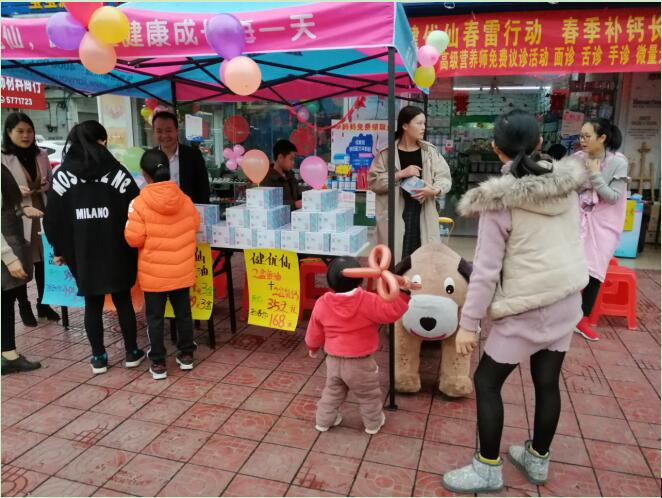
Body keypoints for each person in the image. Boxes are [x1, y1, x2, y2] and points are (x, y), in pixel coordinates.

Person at [442, 110, 588, 493]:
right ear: (539, 144)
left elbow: (485, 272)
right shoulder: (566, 185)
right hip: (565, 298)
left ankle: (488, 469)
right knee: (547, 381)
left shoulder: (498, 201)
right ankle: (537, 458)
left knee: (486, 382)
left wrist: (468, 324)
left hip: (526, 307)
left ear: (495, 148)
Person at [43, 121, 144, 375]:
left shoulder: (62, 175)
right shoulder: (117, 171)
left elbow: (51, 218)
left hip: (82, 250)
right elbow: (137, 206)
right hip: (117, 247)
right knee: (122, 299)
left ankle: (98, 357)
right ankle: (132, 352)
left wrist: (60, 248)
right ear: (101, 141)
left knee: (93, 302)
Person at [305, 256, 416, 435]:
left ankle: (323, 421)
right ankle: (373, 424)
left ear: (329, 281)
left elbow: (314, 331)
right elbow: (391, 312)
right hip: (360, 363)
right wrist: (403, 292)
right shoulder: (368, 300)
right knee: (368, 395)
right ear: (361, 279)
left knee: (332, 393)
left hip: (333, 361)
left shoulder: (322, 303)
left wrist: (312, 347)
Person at [125, 150, 199, 379]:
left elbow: (133, 239)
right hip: (181, 270)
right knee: (183, 314)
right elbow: (195, 225)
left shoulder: (138, 203)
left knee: (155, 318)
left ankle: (158, 363)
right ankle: (186, 355)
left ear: (144, 174)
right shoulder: (185, 199)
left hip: (154, 273)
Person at [368, 105, 452, 262]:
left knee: (422, 258)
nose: (423, 127)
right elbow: (373, 182)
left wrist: (433, 191)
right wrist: (400, 174)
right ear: (405, 125)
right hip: (394, 214)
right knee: (395, 257)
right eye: (419, 123)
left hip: (422, 211)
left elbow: (444, 178)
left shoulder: (429, 151)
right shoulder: (386, 153)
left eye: (424, 123)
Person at [1, 112, 60, 325]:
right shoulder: (3, 157)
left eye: (29, 131)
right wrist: (15, 190)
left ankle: (44, 303)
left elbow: (51, 181)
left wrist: (44, 184)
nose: (26, 135)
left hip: (41, 210)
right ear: (9, 133)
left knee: (44, 261)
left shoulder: (41, 154)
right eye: (20, 131)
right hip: (17, 216)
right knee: (23, 261)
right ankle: (24, 305)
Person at [573, 119, 628, 342]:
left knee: (594, 271)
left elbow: (613, 197)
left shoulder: (618, 162)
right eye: (581, 136)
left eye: (587, 136)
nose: (582, 140)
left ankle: (583, 319)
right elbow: (569, 187)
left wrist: (595, 175)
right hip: (577, 218)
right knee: (569, 265)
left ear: (602, 138)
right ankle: (564, 314)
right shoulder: (577, 159)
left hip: (604, 223)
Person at [2, 165, 43, 375]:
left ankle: (8, 353)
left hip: (11, 241)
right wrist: (9, 259)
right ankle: (8, 356)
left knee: (6, 302)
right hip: (5, 248)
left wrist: (23, 210)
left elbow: (6, 206)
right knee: (5, 302)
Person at [152, 111, 210, 204]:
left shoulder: (193, 155)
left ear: (177, 131)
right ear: (154, 132)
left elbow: (204, 189)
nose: (164, 135)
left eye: (168, 130)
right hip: (159, 210)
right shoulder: (150, 157)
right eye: (159, 131)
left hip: (188, 210)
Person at [261, 139, 302, 209]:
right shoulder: (267, 179)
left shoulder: (291, 176)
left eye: (294, 159)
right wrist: (294, 204)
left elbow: (298, 195)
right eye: (291, 159)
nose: (293, 162)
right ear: (280, 157)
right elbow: (270, 203)